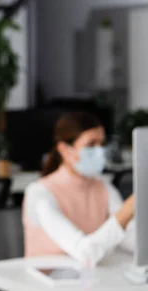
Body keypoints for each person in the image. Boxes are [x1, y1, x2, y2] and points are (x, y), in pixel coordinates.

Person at [23, 112, 136, 267]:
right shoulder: (40, 193)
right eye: (91, 145)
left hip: (87, 281)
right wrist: (130, 208)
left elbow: (130, 238)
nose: (99, 151)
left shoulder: (103, 187)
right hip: (47, 286)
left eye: (101, 144)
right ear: (64, 149)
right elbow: (85, 252)